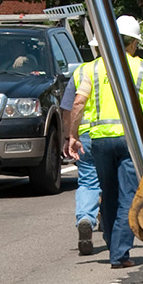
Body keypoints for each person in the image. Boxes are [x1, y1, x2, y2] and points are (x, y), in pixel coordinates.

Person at [64, 15, 143, 268]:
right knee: (129, 196)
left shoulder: (93, 68)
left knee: (108, 193)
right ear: (134, 43)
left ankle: (110, 240)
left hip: (99, 142)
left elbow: (78, 103)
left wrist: (72, 135)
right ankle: (119, 253)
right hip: (130, 141)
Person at [61, 51, 99, 256]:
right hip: (119, 136)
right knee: (115, 183)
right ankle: (114, 232)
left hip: (86, 137)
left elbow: (70, 107)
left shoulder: (83, 71)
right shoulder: (129, 69)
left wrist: (69, 137)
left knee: (88, 182)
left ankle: (85, 218)